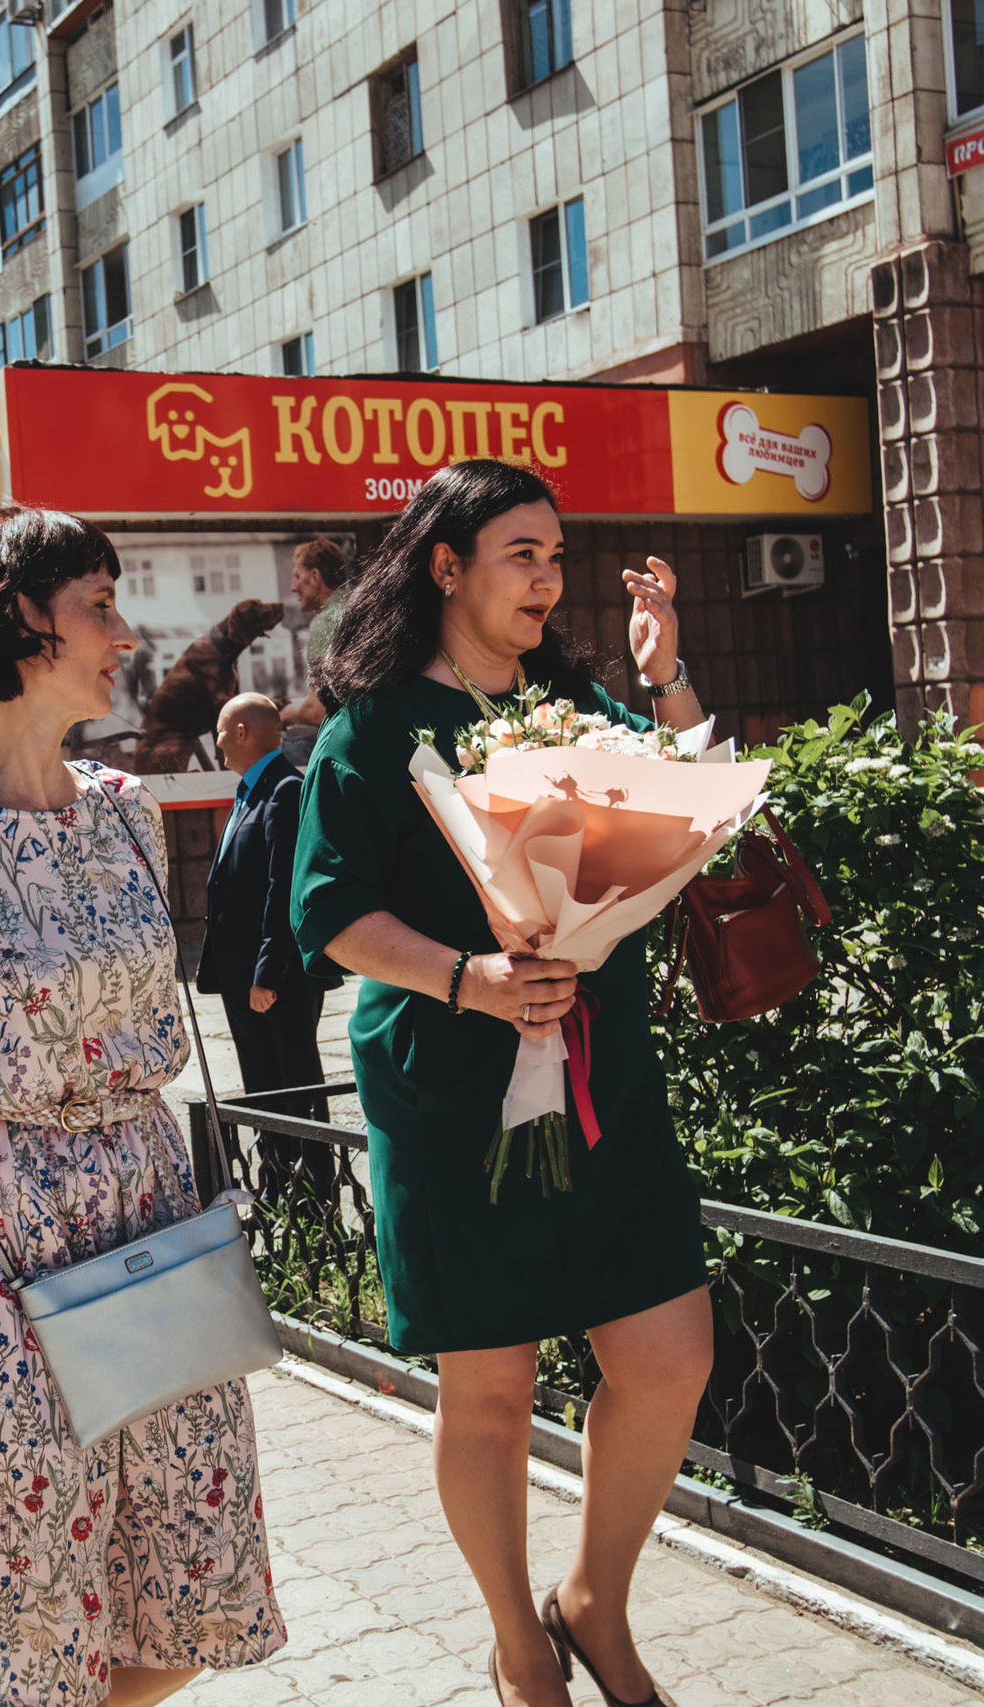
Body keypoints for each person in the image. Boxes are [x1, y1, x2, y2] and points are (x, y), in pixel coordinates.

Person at [0, 505, 285, 1707]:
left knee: (188, 1592)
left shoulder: (123, 812)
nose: (123, 632)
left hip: (146, 1210)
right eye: (96, 603)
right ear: (17, 622)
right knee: (37, 1624)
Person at [291, 460, 713, 1707]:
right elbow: (332, 915)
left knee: (669, 1356)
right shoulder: (366, 731)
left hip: (601, 1077)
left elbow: (686, 797)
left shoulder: (574, 702)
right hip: (449, 1089)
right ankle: (517, 1642)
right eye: (522, 552)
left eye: (555, 556)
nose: (547, 576)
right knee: (491, 1386)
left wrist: (661, 670)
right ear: (446, 566)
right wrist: (469, 977)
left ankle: (594, 1601)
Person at [197, 693, 335, 1181]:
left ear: (240, 733)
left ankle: (316, 1192)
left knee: (295, 1084)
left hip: (276, 980)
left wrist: (266, 972)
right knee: (261, 1085)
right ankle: (278, 1183)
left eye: (218, 730)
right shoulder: (249, 790)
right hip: (244, 978)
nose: (214, 742)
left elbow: (285, 889)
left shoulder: (284, 791)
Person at [279, 538, 350, 768]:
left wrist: (285, 714)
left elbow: (317, 711)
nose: (293, 587)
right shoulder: (361, 608)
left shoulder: (326, 622)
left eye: (298, 577)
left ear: (315, 578)